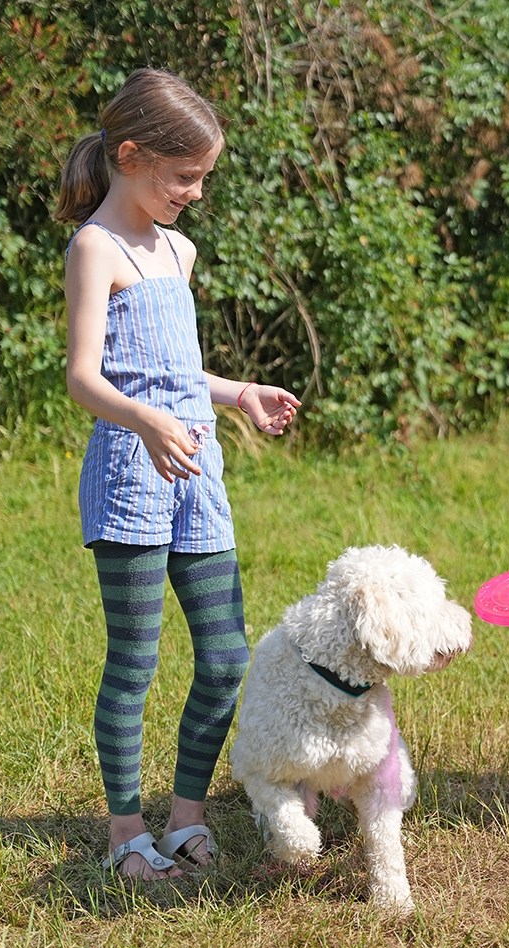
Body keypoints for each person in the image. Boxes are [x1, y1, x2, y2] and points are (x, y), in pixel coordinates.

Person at [54, 67, 301, 880]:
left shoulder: (177, 249)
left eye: (202, 178)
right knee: (136, 660)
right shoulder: (98, 247)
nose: (195, 192)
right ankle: (127, 834)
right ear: (130, 155)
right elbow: (86, 377)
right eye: (184, 176)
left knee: (226, 655)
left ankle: (185, 816)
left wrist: (237, 394)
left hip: (197, 470)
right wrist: (147, 421)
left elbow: (178, 372)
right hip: (132, 468)